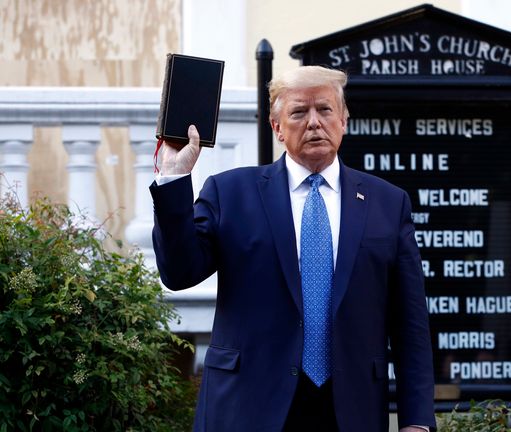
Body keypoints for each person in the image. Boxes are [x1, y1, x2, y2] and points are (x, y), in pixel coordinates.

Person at [150, 65, 436, 431]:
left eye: (325, 109)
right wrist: (174, 178)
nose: (314, 122)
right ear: (277, 128)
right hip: (248, 408)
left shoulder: (387, 203)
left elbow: (411, 324)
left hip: (350, 410)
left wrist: (417, 421)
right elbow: (179, 273)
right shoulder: (231, 193)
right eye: (299, 112)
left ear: (344, 120)